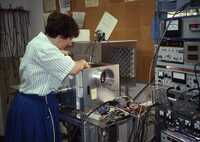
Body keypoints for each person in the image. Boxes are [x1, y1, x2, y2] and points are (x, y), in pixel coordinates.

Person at [5, 12, 89, 142]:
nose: (70, 43)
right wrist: (83, 62)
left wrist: (61, 53)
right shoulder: (46, 50)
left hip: (24, 104)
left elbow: (49, 54)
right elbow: (74, 69)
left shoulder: (38, 41)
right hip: (37, 107)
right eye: (70, 39)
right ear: (60, 37)